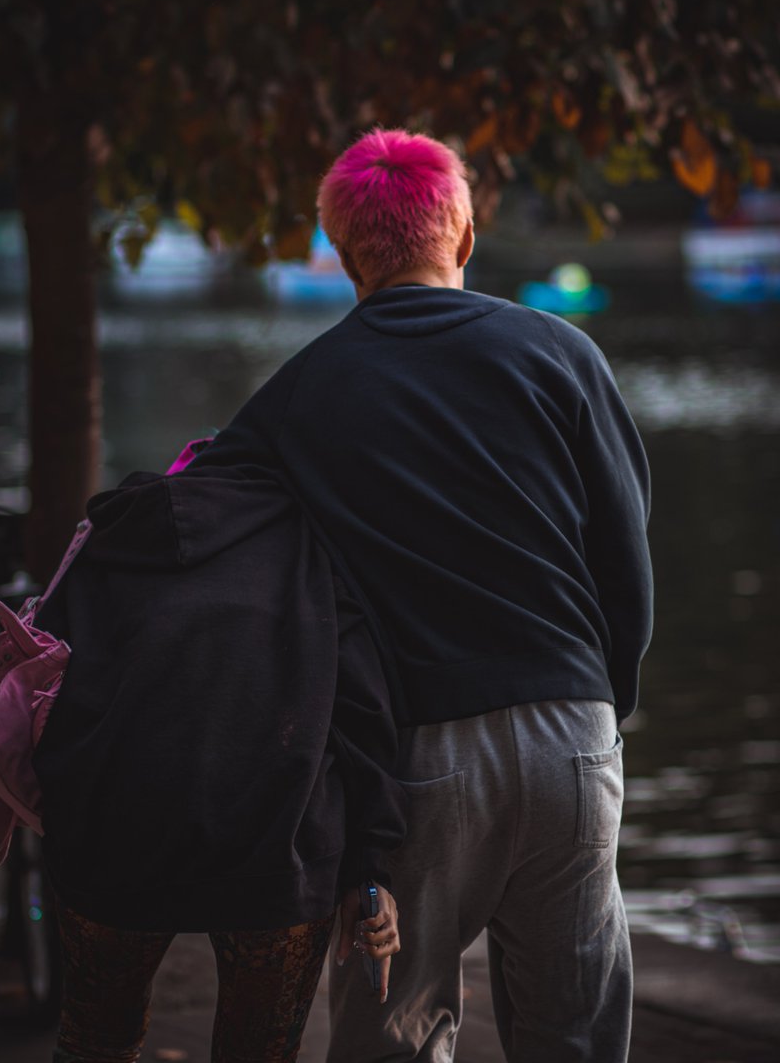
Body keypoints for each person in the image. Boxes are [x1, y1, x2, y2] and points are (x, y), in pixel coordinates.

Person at [188, 129, 653, 1062]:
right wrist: (604, 710)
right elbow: (625, 560)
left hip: (417, 762)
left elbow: (199, 521)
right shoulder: (562, 354)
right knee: (576, 1033)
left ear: (344, 253)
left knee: (394, 1033)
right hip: (574, 730)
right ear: (466, 236)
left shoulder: (299, 394)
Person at [32, 455, 405, 1063]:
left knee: (96, 1043)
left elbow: (43, 683)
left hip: (110, 841)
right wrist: (372, 867)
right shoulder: (311, 544)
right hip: (278, 847)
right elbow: (363, 717)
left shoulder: (113, 536)